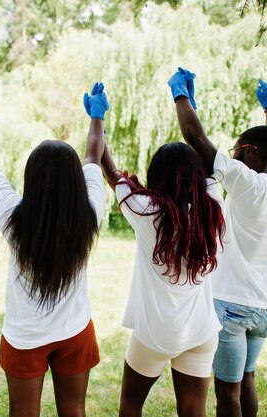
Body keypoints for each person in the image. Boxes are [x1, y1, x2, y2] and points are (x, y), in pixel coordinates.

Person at [0, 85, 108, 417]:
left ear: (31, 179)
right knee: (74, 411)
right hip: (75, 331)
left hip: (25, 337)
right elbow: (94, 155)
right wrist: (96, 115)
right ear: (75, 180)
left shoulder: (13, 217)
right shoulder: (90, 212)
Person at [169, 67, 267, 417]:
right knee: (247, 382)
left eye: (237, 150)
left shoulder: (248, 184)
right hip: (266, 308)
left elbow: (195, 139)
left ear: (249, 151)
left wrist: (180, 95)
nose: (234, 156)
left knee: (227, 396)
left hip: (232, 307)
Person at [101, 130, 226, 414]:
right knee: (193, 409)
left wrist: (99, 125)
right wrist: (188, 108)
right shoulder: (213, 210)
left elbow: (113, 174)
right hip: (202, 330)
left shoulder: (146, 212)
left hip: (157, 334)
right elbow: (209, 163)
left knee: (131, 403)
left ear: (156, 177)